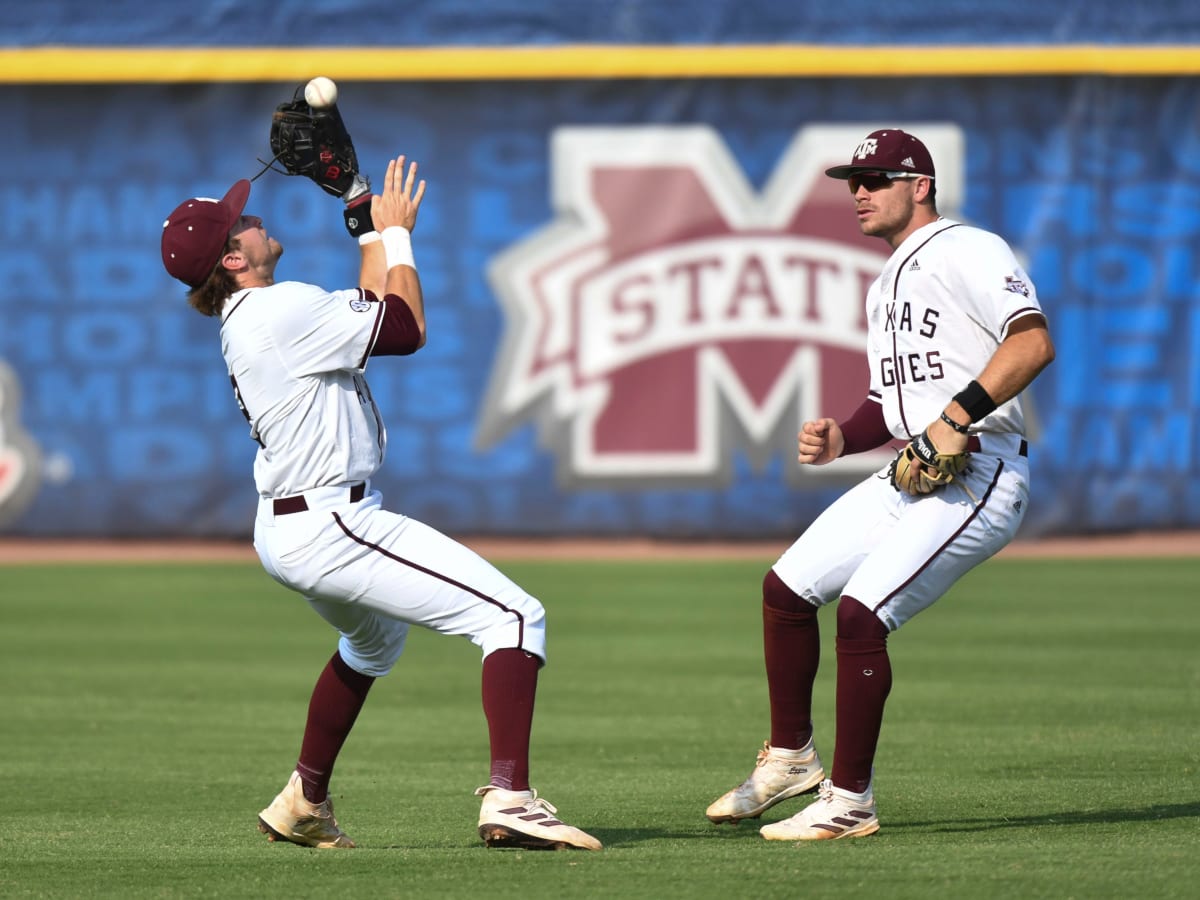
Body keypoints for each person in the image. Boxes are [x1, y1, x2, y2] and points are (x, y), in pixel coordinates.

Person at [160, 156, 601, 852]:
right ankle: (511, 799)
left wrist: (361, 208)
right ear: (234, 257)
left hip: (288, 528)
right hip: (333, 522)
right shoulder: (278, 309)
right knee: (515, 616)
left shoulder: (264, 315)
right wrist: (397, 236)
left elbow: (368, 316)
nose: (252, 216)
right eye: (239, 221)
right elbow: (403, 329)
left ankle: (305, 796)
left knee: (372, 642)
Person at [705, 129, 1055, 840]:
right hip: (910, 469)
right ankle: (790, 759)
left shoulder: (968, 248)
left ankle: (849, 803)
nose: (858, 193)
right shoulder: (885, 279)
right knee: (786, 590)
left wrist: (957, 416)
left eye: (875, 179)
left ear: (919, 184)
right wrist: (844, 435)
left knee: (863, 616)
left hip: (982, 471)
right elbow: (889, 402)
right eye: (851, 182)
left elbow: (1031, 341)